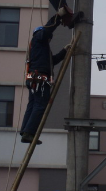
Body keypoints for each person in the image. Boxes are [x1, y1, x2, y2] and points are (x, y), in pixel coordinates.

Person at [20, 15, 71, 144]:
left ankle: (26, 130)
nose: (49, 39)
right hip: (39, 80)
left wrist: (65, 50)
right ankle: (29, 132)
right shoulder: (38, 38)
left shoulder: (40, 50)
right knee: (40, 105)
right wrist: (58, 18)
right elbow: (46, 31)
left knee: (32, 105)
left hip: (34, 79)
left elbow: (52, 61)